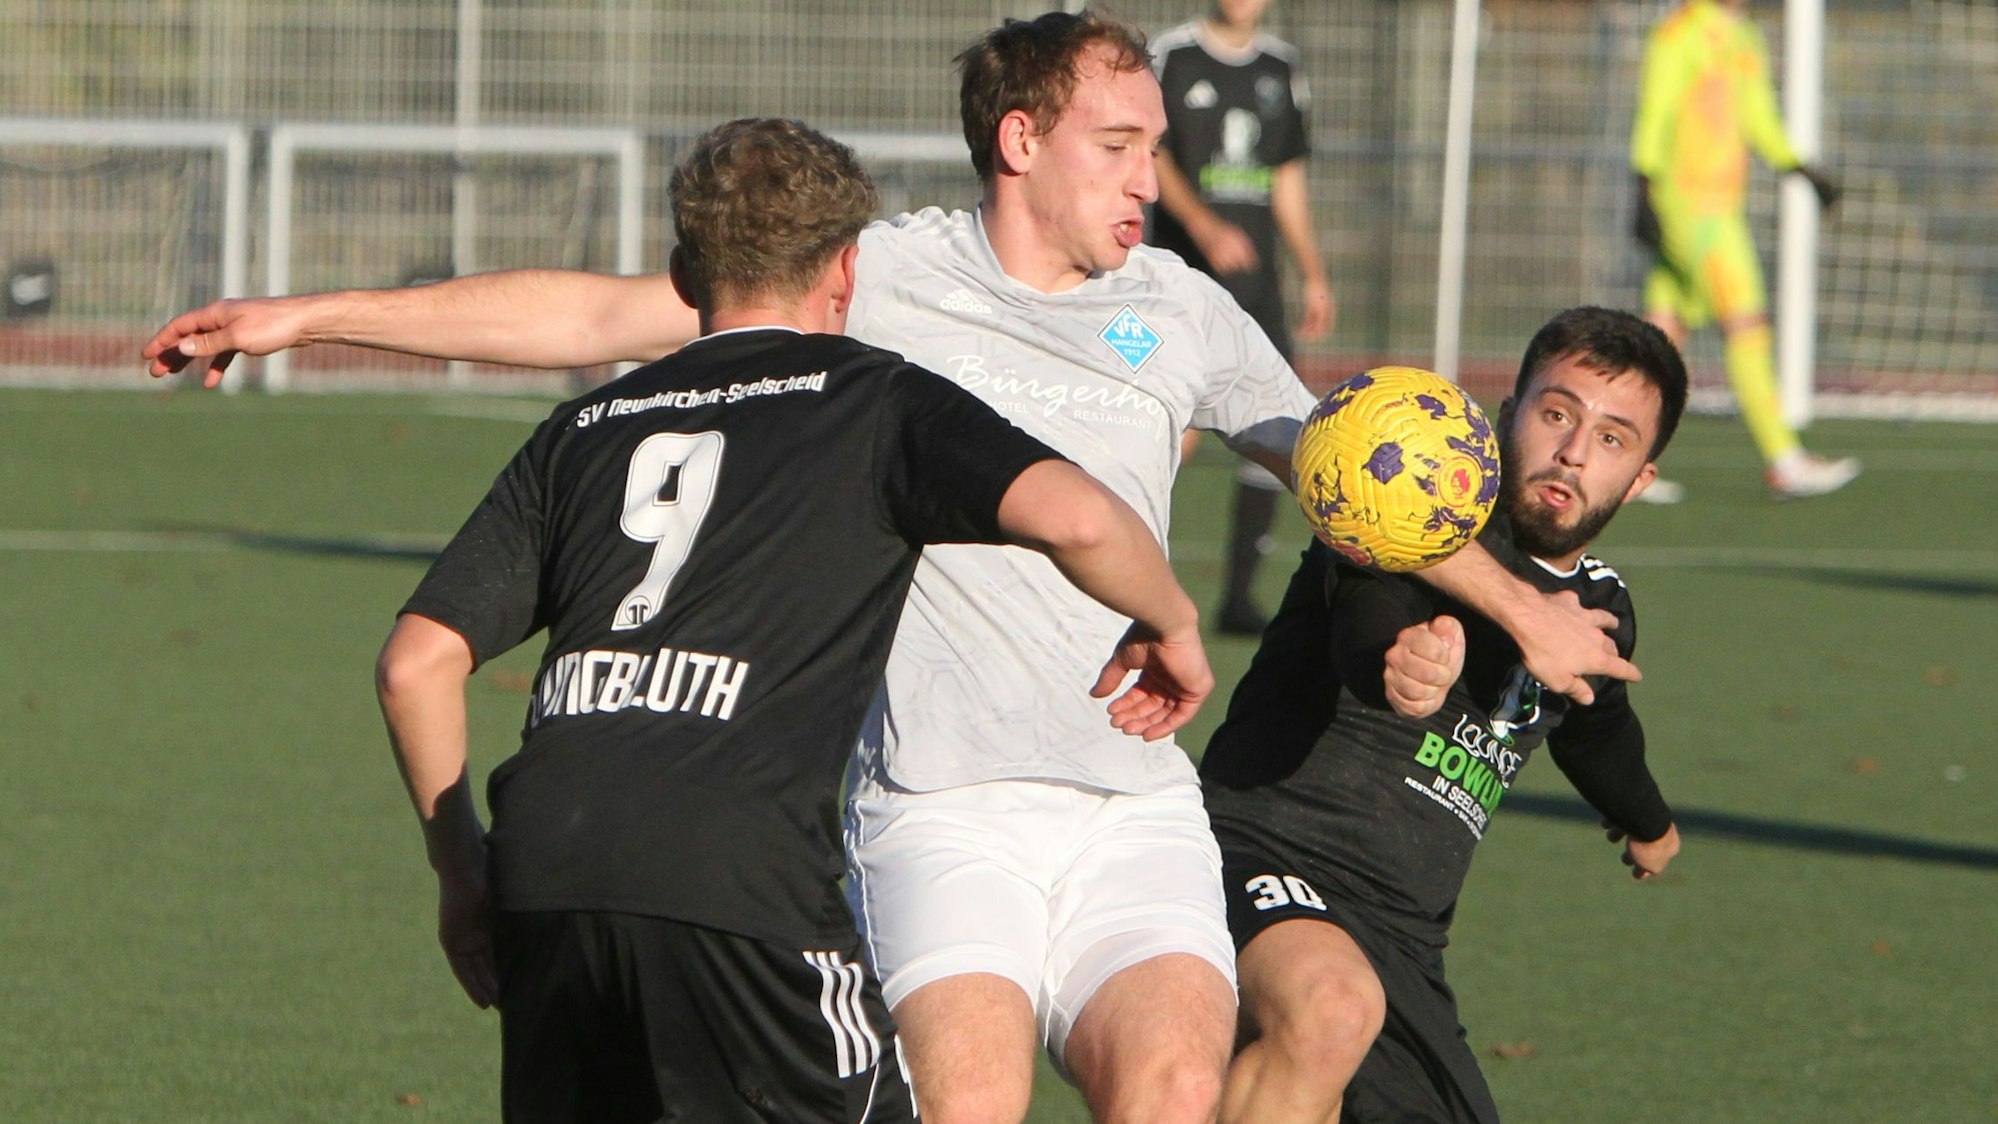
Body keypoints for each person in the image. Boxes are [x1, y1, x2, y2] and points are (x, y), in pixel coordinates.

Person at [149, 13, 1641, 1121]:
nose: (1153, 178)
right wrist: (303, 315)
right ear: (1022, 142)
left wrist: (1514, 609)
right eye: (1120, 146)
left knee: (1177, 1091)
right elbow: (590, 316)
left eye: (1156, 147)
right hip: (933, 814)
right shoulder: (882, 283)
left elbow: (1358, 484)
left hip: (1128, 807)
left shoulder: (1179, 310)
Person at [372, 116, 1215, 1124]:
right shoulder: (877, 400)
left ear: (685, 273)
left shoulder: (586, 427)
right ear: (847, 270)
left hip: (549, 858)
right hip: (741, 871)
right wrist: (1170, 620)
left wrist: (464, 871)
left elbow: (415, 665)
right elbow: (1080, 515)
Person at [1202, 307, 1687, 1123]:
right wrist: (1401, 660)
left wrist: (1645, 820)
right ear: (1507, 415)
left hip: (1403, 933)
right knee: (1327, 1012)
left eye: (1613, 439)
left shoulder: (1598, 605)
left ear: (1639, 477)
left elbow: (1597, 724)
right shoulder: (1405, 514)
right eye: (1557, 413)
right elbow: (1368, 612)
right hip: (1257, 854)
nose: (1573, 450)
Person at [1151, 0, 1334, 634]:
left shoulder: (1282, 67)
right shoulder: (1173, 56)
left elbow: (1285, 177)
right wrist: (1203, 225)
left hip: (1258, 287)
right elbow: (1150, 154)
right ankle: (1125, 587)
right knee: (1172, 430)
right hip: (1182, 280)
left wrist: (1311, 271)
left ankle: (1237, 599)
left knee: (1277, 425)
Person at [1631, 0, 1857, 501]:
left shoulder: (1744, 38)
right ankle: (1784, 458)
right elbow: (1657, 107)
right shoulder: (1679, 35)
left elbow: (1756, 114)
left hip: (1720, 207)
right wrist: (1643, 179)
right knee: (1747, 325)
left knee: (1661, 332)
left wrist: (1799, 167)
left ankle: (1623, 458)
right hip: (1691, 205)